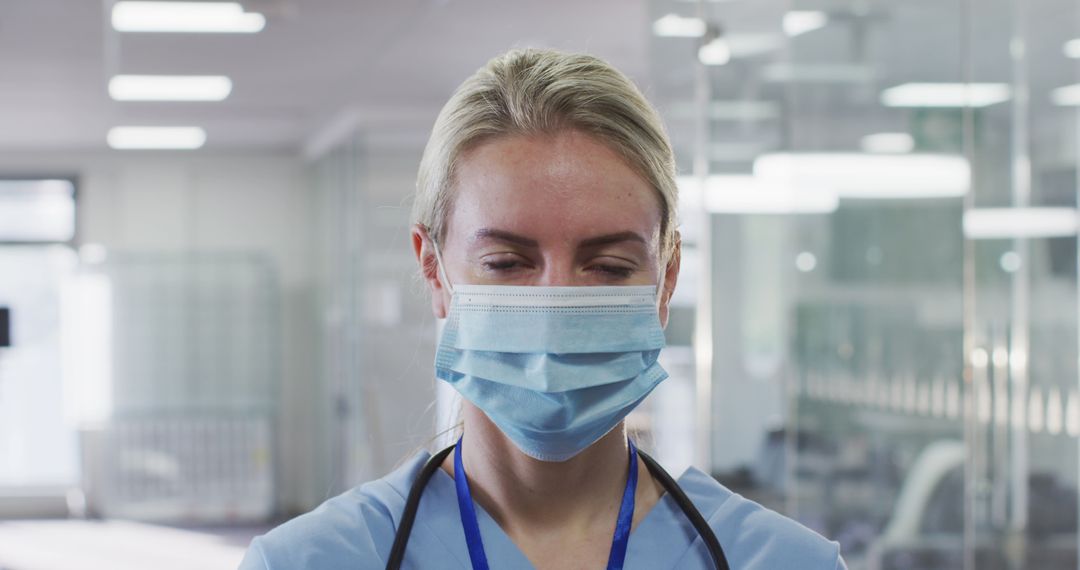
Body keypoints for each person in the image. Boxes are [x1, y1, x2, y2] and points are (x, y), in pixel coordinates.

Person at [240, 48, 847, 570]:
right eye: (507, 263)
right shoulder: (313, 561)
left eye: (607, 266)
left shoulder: (780, 561)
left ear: (666, 279)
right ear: (434, 269)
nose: (555, 309)